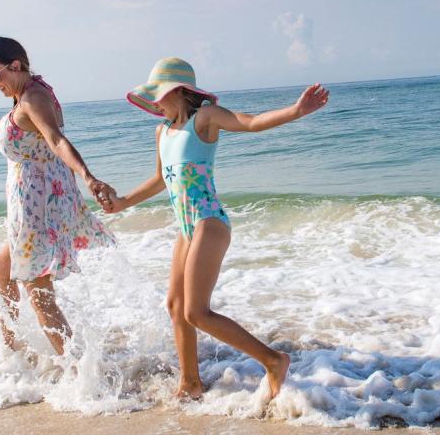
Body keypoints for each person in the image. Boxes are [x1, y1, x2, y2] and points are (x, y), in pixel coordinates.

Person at [103, 57, 329, 400]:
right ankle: (191, 383)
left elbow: (250, 122)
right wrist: (122, 203)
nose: (154, 103)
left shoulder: (204, 120)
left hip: (209, 222)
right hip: (186, 227)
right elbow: (159, 181)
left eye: (158, 95)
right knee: (176, 307)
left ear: (177, 92)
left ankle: (273, 360)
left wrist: (296, 111)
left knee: (196, 312)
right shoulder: (161, 131)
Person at [0, 37, 116, 355]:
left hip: (37, 207)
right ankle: (14, 352)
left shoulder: (33, 97)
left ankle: (79, 372)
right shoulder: (27, 93)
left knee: (38, 290)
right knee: (3, 267)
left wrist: (88, 176)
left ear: (16, 65)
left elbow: (56, 140)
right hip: (34, 202)